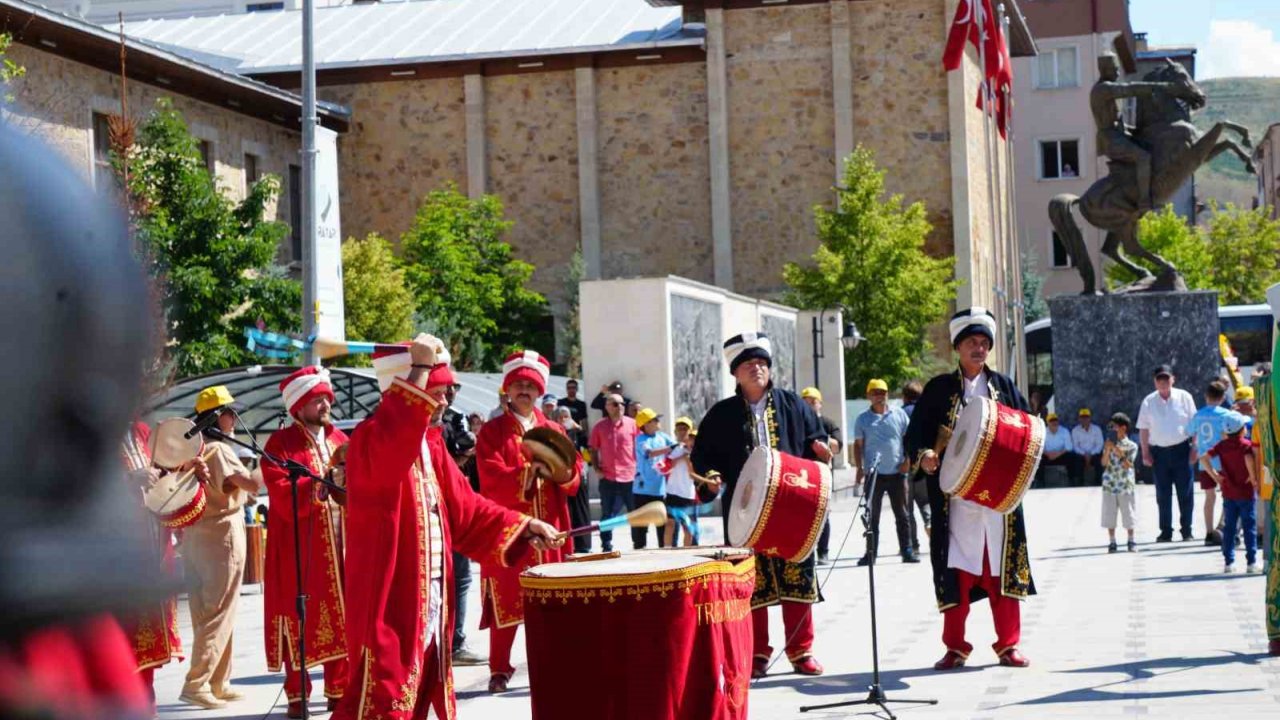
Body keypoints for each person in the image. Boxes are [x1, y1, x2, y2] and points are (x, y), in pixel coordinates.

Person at [332, 336, 564, 719]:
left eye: (445, 392)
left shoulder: (432, 446)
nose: (443, 401)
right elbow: (394, 444)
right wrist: (420, 367)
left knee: (420, 692)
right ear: (405, 390)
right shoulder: (372, 439)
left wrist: (523, 526)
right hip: (390, 603)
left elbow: (467, 511)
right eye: (436, 392)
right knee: (383, 699)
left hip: (430, 602)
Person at [692, 332, 831, 678]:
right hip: (745, 513)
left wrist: (825, 449)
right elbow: (703, 459)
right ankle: (757, 652)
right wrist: (710, 478)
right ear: (736, 373)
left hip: (792, 504)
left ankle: (801, 651)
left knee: (796, 577)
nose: (757, 369)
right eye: (748, 364)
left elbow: (816, 439)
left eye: (762, 363)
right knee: (753, 585)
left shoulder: (793, 404)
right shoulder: (721, 415)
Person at [905, 307, 1035, 671]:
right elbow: (916, 434)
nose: (978, 349)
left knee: (999, 568)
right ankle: (956, 646)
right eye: (971, 343)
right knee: (957, 571)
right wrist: (925, 454)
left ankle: (1008, 644)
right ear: (958, 349)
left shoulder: (1005, 386)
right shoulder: (938, 389)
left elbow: (1027, 428)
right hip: (956, 499)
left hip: (999, 498)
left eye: (983, 343)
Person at [476, 350, 581, 694]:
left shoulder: (554, 429)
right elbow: (490, 478)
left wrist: (563, 474)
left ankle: (554, 662)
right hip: (511, 530)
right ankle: (499, 668)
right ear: (507, 389)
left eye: (530, 385)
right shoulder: (492, 432)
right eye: (518, 384)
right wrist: (527, 472)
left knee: (552, 602)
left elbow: (574, 476)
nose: (524, 390)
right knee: (506, 597)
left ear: (539, 392)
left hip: (551, 526)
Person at [260, 366, 350, 717]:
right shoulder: (279, 444)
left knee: (341, 614)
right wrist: (321, 484)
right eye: (317, 398)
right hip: (298, 549)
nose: (326, 403)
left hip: (342, 546)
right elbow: (281, 496)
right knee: (298, 616)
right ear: (298, 406)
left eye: (327, 396)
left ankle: (339, 690)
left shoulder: (341, 440)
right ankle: (297, 695)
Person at [179, 386, 256, 709]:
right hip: (222, 535)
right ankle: (197, 682)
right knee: (219, 610)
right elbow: (251, 485)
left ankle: (218, 681)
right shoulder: (220, 452)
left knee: (205, 610)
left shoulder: (190, 451)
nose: (233, 418)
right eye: (229, 413)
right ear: (216, 417)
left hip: (194, 535)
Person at [119, 421, 186, 714]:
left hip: (152, 546)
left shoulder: (144, 431)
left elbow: (165, 474)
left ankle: (146, 704)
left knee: (147, 634)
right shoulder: (83, 430)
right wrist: (129, 481)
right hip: (115, 552)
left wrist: (185, 474)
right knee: (120, 634)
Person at [1091, 52, 1183, 211]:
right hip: (1110, 139)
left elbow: (1117, 122)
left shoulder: (1107, 90)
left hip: (1119, 134)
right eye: (1114, 69)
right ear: (1105, 69)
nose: (1118, 73)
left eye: (1118, 69)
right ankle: (1144, 200)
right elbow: (1129, 89)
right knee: (1143, 157)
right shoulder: (1102, 89)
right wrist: (1164, 86)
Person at [854, 379, 916, 565]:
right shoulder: (863, 419)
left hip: (898, 472)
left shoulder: (899, 415)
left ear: (888, 394)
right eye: (875, 393)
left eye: (882, 392)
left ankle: (907, 550)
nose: (879, 396)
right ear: (868, 396)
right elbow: (858, 446)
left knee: (902, 515)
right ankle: (871, 553)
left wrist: (908, 461)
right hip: (874, 475)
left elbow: (910, 439)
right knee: (872, 516)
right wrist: (859, 468)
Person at [1137, 364, 1198, 542]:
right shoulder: (1148, 401)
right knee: (1162, 494)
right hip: (1159, 453)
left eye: (1166, 379)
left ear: (1173, 379)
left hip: (1181, 450)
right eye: (1159, 380)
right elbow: (1143, 429)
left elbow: (1195, 425)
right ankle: (1165, 531)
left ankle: (1187, 529)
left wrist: (1195, 448)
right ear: (1154, 382)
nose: (1163, 383)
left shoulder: (1184, 397)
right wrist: (1145, 453)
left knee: (1185, 492)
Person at [1201, 412, 1260, 573]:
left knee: (1229, 528)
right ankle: (1251, 562)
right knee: (1249, 528)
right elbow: (1248, 459)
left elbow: (1204, 458)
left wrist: (1215, 476)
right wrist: (1253, 478)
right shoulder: (1245, 445)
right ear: (1242, 430)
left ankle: (1229, 563)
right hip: (1246, 493)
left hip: (1228, 492)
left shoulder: (1222, 445)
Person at [589, 392, 638, 552]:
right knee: (607, 514)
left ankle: (638, 544)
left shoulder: (632, 425)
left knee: (634, 513)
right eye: (615, 404)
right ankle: (606, 546)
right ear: (607, 407)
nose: (620, 407)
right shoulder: (599, 426)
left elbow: (639, 448)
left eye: (622, 404)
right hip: (608, 477)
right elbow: (593, 449)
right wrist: (596, 468)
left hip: (630, 477)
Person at [801, 387, 843, 564]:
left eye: (813, 402)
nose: (810, 406)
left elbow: (837, 446)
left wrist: (823, 440)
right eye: (806, 403)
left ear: (820, 404)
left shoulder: (827, 423)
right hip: (802, 475)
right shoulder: (798, 425)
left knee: (823, 514)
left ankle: (823, 551)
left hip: (822, 475)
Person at [1189, 381, 1232, 546]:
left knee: (1209, 497)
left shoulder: (1199, 414)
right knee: (1228, 496)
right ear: (1222, 398)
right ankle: (1222, 526)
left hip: (1204, 461)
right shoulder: (1226, 414)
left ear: (1206, 396)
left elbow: (1189, 431)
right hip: (1223, 461)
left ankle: (1208, 532)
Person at [634, 408, 676, 548]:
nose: (658, 422)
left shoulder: (662, 437)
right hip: (642, 490)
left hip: (659, 490)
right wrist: (670, 448)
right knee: (641, 526)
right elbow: (649, 453)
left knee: (661, 525)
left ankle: (662, 552)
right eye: (655, 420)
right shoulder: (640, 439)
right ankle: (639, 554)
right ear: (645, 424)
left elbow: (676, 448)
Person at [556, 406, 593, 554]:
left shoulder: (576, 432)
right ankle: (569, 543)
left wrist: (579, 429)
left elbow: (587, 446)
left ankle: (584, 544)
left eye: (567, 416)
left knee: (581, 510)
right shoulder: (555, 432)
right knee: (568, 511)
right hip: (563, 475)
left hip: (579, 473)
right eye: (562, 417)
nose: (565, 420)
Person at [1101, 413, 1139, 553]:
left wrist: (1116, 450)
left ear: (1123, 428)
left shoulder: (1132, 445)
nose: (1113, 429)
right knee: (1109, 514)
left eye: (1115, 426)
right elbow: (1104, 463)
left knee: (1128, 513)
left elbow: (1128, 465)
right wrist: (1107, 450)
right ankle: (1112, 541)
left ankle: (1131, 540)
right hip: (1109, 483)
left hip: (1125, 485)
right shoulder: (1108, 442)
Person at [902, 381, 931, 554]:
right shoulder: (925, 413)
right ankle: (930, 523)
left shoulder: (900, 413)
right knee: (925, 502)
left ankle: (913, 545)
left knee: (908, 509)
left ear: (905, 396)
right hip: (923, 465)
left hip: (905, 467)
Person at [663, 417, 702, 546]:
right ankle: (667, 552)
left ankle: (687, 553)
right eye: (679, 429)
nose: (682, 432)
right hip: (672, 492)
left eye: (685, 429)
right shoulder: (673, 449)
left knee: (688, 528)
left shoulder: (697, 451)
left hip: (688, 494)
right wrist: (681, 457)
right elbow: (664, 467)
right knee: (670, 525)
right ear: (675, 432)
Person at [1039, 413, 1076, 484]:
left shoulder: (1064, 431)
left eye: (1055, 420)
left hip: (1060, 455)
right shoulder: (1042, 432)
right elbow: (1040, 447)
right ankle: (1040, 482)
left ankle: (1072, 480)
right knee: (1038, 459)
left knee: (1072, 457)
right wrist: (1047, 454)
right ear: (1048, 423)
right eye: (1051, 421)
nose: (1054, 423)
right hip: (1048, 456)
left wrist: (1058, 454)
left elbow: (1069, 447)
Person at [1071, 409, 1105, 485]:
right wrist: (1084, 454)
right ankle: (1079, 484)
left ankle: (1098, 483)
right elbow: (1075, 446)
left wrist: (1091, 454)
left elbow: (1100, 444)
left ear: (1090, 418)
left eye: (1086, 417)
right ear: (1079, 419)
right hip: (1081, 455)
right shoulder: (1075, 430)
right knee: (1077, 461)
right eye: (1082, 417)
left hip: (1094, 454)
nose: (1084, 419)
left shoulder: (1097, 429)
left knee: (1099, 460)